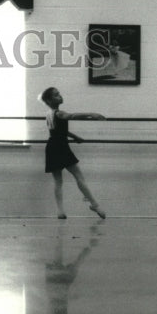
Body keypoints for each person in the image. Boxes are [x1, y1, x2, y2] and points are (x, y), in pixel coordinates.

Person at [39, 87, 106, 219]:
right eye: (56, 95)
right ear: (50, 100)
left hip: (52, 146)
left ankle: (60, 211)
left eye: (59, 93)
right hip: (61, 147)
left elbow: (58, 131)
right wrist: (92, 114)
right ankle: (94, 204)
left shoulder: (49, 114)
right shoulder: (59, 113)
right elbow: (71, 116)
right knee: (79, 177)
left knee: (58, 181)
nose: (60, 96)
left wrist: (75, 137)